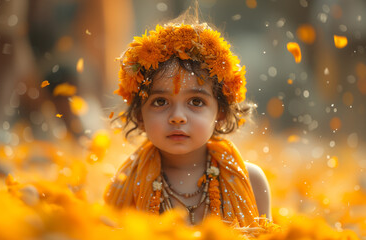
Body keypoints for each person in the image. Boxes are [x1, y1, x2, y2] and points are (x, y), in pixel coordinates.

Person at [104, 11, 272, 227]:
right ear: (139, 115)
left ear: (220, 112)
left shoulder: (251, 181)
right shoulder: (127, 184)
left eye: (195, 102)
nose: (177, 117)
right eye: (160, 102)